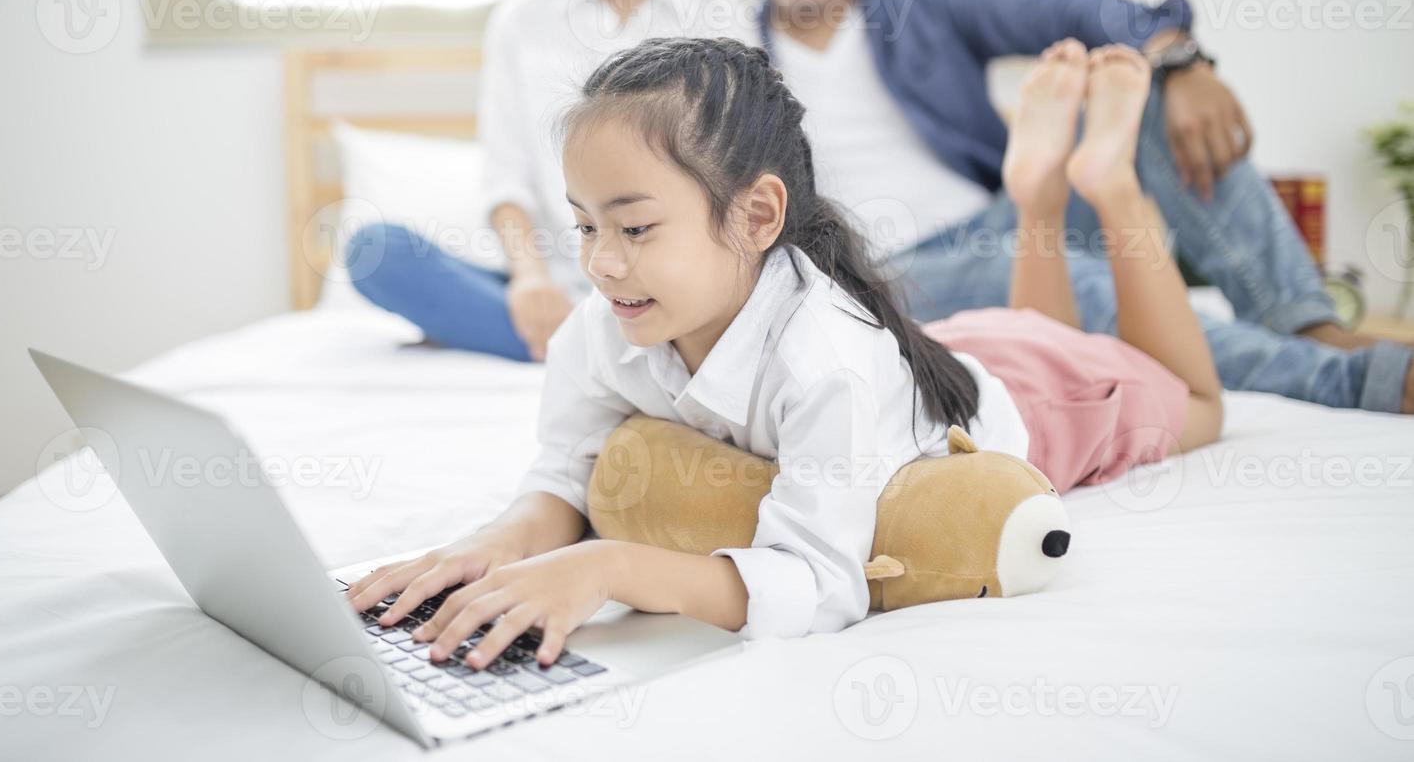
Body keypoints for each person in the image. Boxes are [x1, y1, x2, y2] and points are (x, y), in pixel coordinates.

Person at [345, 36, 1220, 659]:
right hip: (927, 359)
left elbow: (820, 585)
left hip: (1035, 402)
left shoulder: (826, 359)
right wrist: (494, 543)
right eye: (582, 225)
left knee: (1199, 404)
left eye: (637, 227)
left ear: (756, 216)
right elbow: (564, 473)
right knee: (1036, 329)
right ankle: (1034, 191)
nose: (602, 264)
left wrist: (608, 566)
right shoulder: (606, 327)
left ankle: (1107, 183)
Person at [736, 0, 1412, 414]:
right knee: (1068, 273)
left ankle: (1306, 321)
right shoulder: (737, 60)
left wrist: (1178, 61)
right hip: (893, 269)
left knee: (1149, 105)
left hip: (1005, 209)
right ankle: (1347, 379)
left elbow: (1071, 9)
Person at [346, 0, 719, 362]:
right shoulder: (522, 23)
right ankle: (579, 341)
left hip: (669, 288)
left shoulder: (718, 25)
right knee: (375, 251)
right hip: (549, 287)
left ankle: (582, 342)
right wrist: (529, 280)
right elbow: (507, 178)